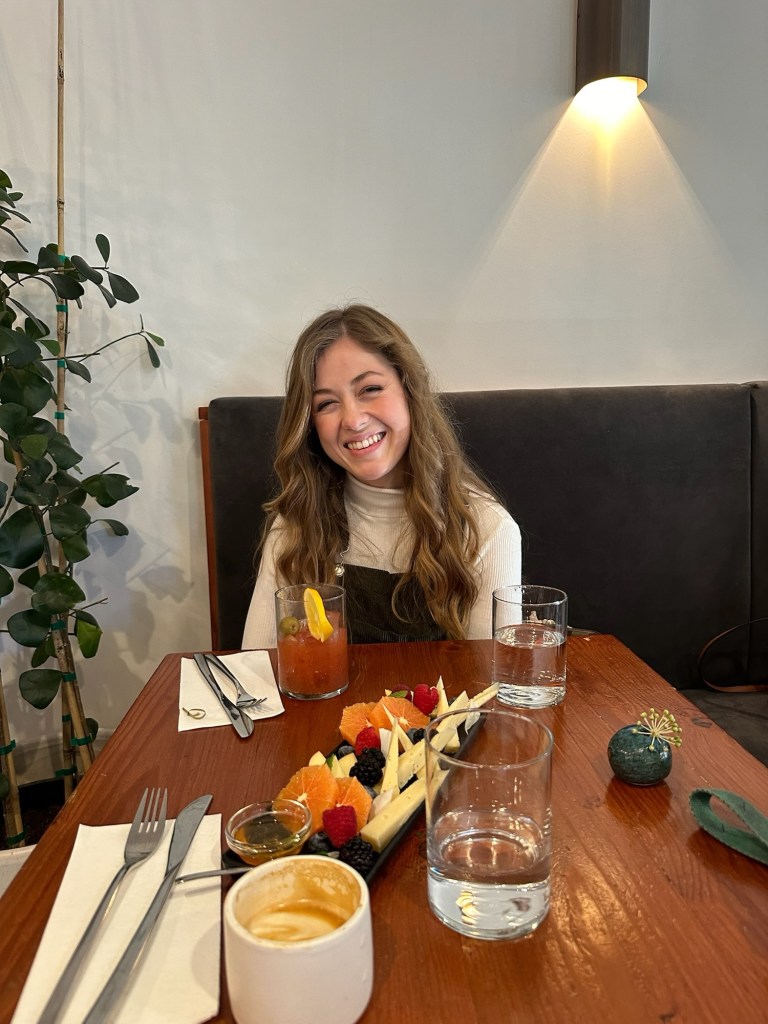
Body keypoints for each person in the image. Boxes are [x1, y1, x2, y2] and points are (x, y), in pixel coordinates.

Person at [242, 304, 521, 648]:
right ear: (310, 425)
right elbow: (256, 664)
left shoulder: (488, 529)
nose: (353, 420)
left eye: (370, 389)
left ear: (410, 391)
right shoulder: (295, 527)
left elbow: (493, 675)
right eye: (326, 404)